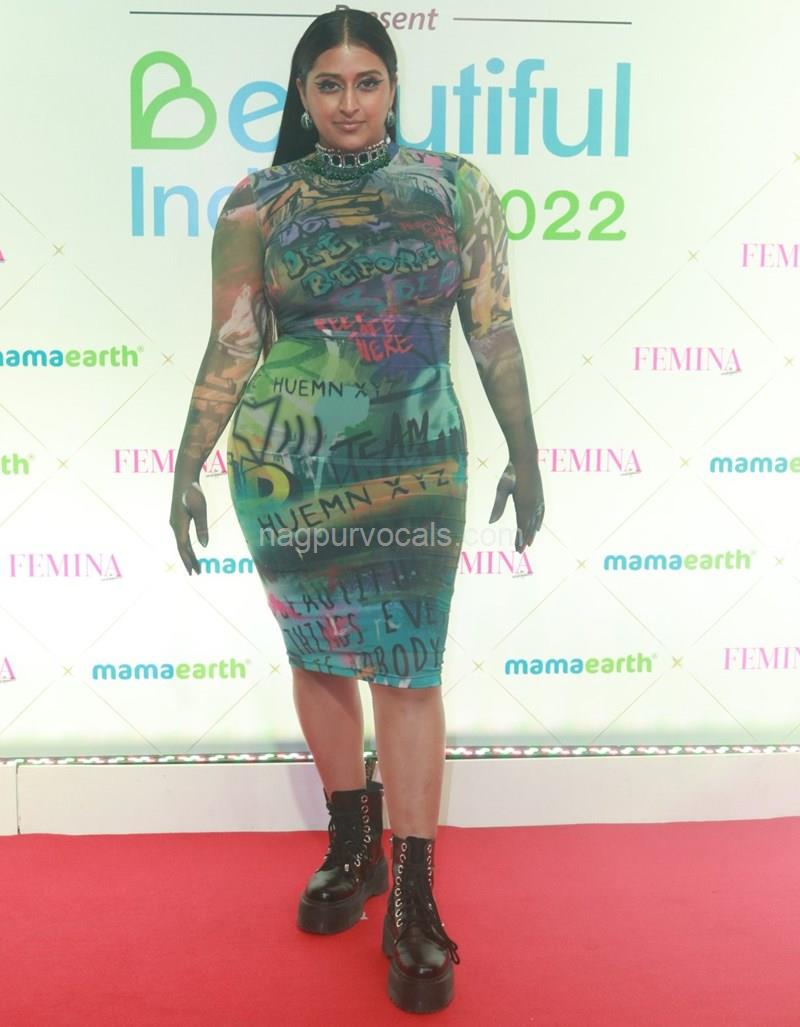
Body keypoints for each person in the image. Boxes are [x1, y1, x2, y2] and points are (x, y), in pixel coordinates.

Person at [169, 8, 544, 1015]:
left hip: (417, 460)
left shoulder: (453, 186)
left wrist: (526, 452)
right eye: (328, 84)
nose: (348, 102)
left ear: (393, 86)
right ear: (301, 94)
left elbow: (492, 328)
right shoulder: (257, 201)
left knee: (410, 669)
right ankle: (351, 845)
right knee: (320, 655)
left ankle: (413, 895)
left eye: (366, 81)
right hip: (287, 465)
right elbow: (233, 343)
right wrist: (188, 463)